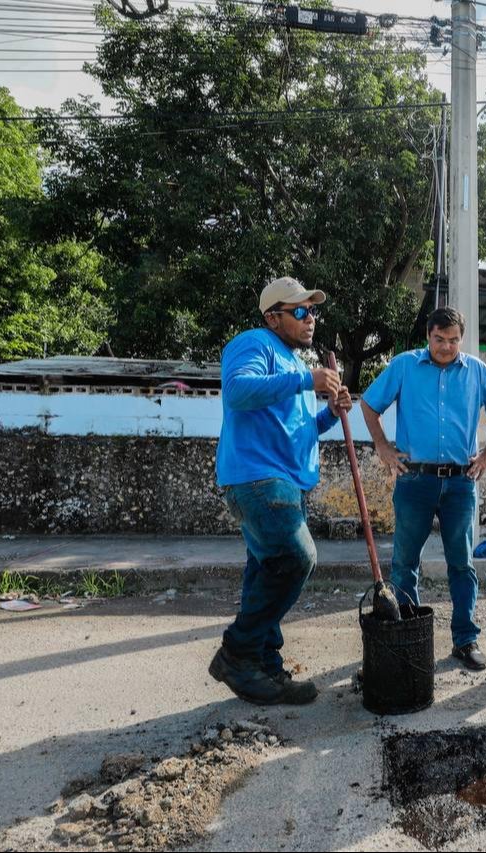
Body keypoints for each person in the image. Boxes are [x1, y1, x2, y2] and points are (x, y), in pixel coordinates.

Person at [210, 275, 353, 705]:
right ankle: (237, 652)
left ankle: (264, 668)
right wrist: (308, 381)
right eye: (301, 311)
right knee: (296, 557)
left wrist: (328, 413)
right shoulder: (253, 343)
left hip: (282, 481)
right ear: (273, 317)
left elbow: (298, 429)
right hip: (258, 478)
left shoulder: (291, 363)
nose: (311, 319)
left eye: (313, 311)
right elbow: (236, 391)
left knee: (265, 571)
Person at [360, 307, 486, 671]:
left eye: (454, 340)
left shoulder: (477, 371)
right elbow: (368, 404)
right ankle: (406, 638)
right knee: (405, 563)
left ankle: (465, 639)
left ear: (461, 338)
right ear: (428, 336)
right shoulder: (405, 366)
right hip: (415, 480)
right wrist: (382, 445)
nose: (446, 346)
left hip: (460, 483)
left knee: (462, 563)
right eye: (440, 339)